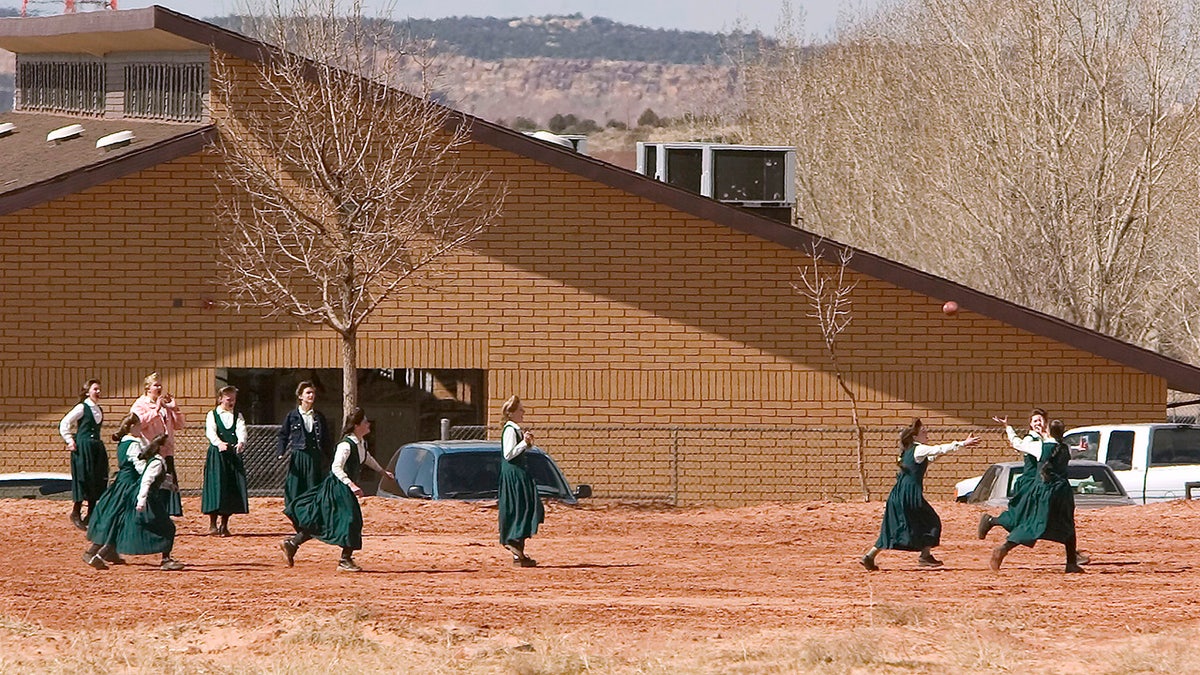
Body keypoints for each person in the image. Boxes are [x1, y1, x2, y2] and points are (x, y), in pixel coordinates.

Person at [280, 408, 394, 572]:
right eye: (365, 422)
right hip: (337, 487)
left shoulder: (361, 443)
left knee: (322, 520)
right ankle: (345, 560)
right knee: (351, 520)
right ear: (356, 425)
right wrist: (351, 484)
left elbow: (366, 458)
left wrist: (382, 472)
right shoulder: (346, 445)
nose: (368, 424)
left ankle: (292, 544)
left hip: (343, 487)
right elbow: (336, 468)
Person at [861, 418, 979, 571]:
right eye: (923, 432)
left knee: (893, 526)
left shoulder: (908, 452)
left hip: (897, 494)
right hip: (909, 494)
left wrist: (956, 448)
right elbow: (938, 449)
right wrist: (962, 443)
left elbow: (931, 457)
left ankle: (869, 556)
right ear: (915, 437)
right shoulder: (919, 449)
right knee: (932, 520)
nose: (927, 434)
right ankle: (925, 555)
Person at [978, 411, 1091, 565]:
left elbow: (1021, 444)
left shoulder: (1041, 446)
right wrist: (1008, 427)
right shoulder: (1061, 447)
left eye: (1041, 420)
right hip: (1058, 491)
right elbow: (1020, 444)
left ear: (1047, 427)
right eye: (1035, 420)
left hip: (1045, 490)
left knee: (1038, 524)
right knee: (1060, 524)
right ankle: (1003, 546)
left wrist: (1008, 428)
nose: (1039, 424)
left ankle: (1071, 562)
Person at [82, 413, 146, 569]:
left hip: (120, 484)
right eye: (139, 426)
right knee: (119, 518)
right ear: (132, 427)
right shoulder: (134, 444)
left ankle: (111, 550)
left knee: (116, 516)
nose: (141, 429)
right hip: (129, 485)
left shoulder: (123, 442)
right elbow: (139, 466)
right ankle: (94, 551)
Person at [115, 433, 185, 571]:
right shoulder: (157, 463)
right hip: (150, 498)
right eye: (168, 445)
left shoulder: (158, 460)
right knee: (168, 527)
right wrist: (141, 500)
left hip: (152, 497)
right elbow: (146, 481)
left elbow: (157, 480)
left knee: (161, 526)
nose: (170, 447)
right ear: (161, 448)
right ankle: (166, 560)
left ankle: (165, 558)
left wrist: (170, 486)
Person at [277, 381, 331, 529]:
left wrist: (330, 457)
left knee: (313, 488)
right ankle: (297, 520)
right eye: (308, 393)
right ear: (300, 396)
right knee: (295, 488)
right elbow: (283, 435)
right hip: (299, 456)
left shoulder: (319, 417)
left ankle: (312, 521)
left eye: (313, 393)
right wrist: (280, 452)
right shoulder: (292, 416)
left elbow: (326, 438)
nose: (311, 395)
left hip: (315, 457)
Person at [497, 395, 544, 567]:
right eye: (520, 409)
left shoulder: (515, 429)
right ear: (511, 413)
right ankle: (512, 540)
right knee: (519, 507)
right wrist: (524, 443)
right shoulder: (510, 430)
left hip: (518, 472)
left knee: (523, 506)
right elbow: (508, 454)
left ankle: (519, 552)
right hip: (514, 474)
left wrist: (525, 442)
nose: (523, 412)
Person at [130, 372, 185, 517]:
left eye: (160, 385)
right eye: (156, 385)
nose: (159, 387)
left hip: (166, 451)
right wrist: (156, 410)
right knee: (152, 484)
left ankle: (165, 515)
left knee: (167, 485)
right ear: (148, 388)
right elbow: (139, 424)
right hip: (150, 451)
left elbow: (179, 425)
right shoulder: (140, 404)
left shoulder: (164, 405)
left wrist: (174, 409)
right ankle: (147, 514)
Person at [60, 379, 108, 531]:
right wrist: (70, 441)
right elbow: (65, 423)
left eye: (99, 389)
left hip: (95, 447)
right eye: (95, 389)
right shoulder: (82, 407)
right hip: (84, 446)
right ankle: (76, 512)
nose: (98, 392)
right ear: (87, 392)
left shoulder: (98, 409)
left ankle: (92, 513)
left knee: (96, 478)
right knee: (83, 477)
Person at [201, 386, 249, 537]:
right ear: (220, 399)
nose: (231, 402)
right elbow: (210, 431)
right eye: (228, 399)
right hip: (218, 454)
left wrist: (241, 442)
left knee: (230, 488)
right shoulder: (212, 414)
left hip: (232, 455)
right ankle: (212, 524)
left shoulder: (238, 415)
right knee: (216, 486)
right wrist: (218, 443)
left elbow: (242, 430)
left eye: (233, 399)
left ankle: (225, 524)